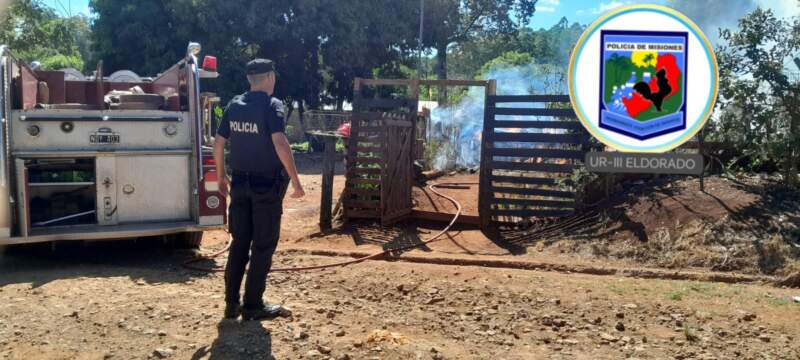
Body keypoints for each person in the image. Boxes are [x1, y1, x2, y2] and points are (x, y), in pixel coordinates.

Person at [213, 58, 305, 321]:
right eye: (273, 76)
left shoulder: (234, 105)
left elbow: (218, 143)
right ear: (268, 78)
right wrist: (296, 181)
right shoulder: (272, 106)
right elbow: (279, 142)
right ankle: (253, 305)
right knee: (263, 245)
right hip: (266, 188)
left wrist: (221, 177)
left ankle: (231, 304)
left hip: (239, 185)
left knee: (239, 244)